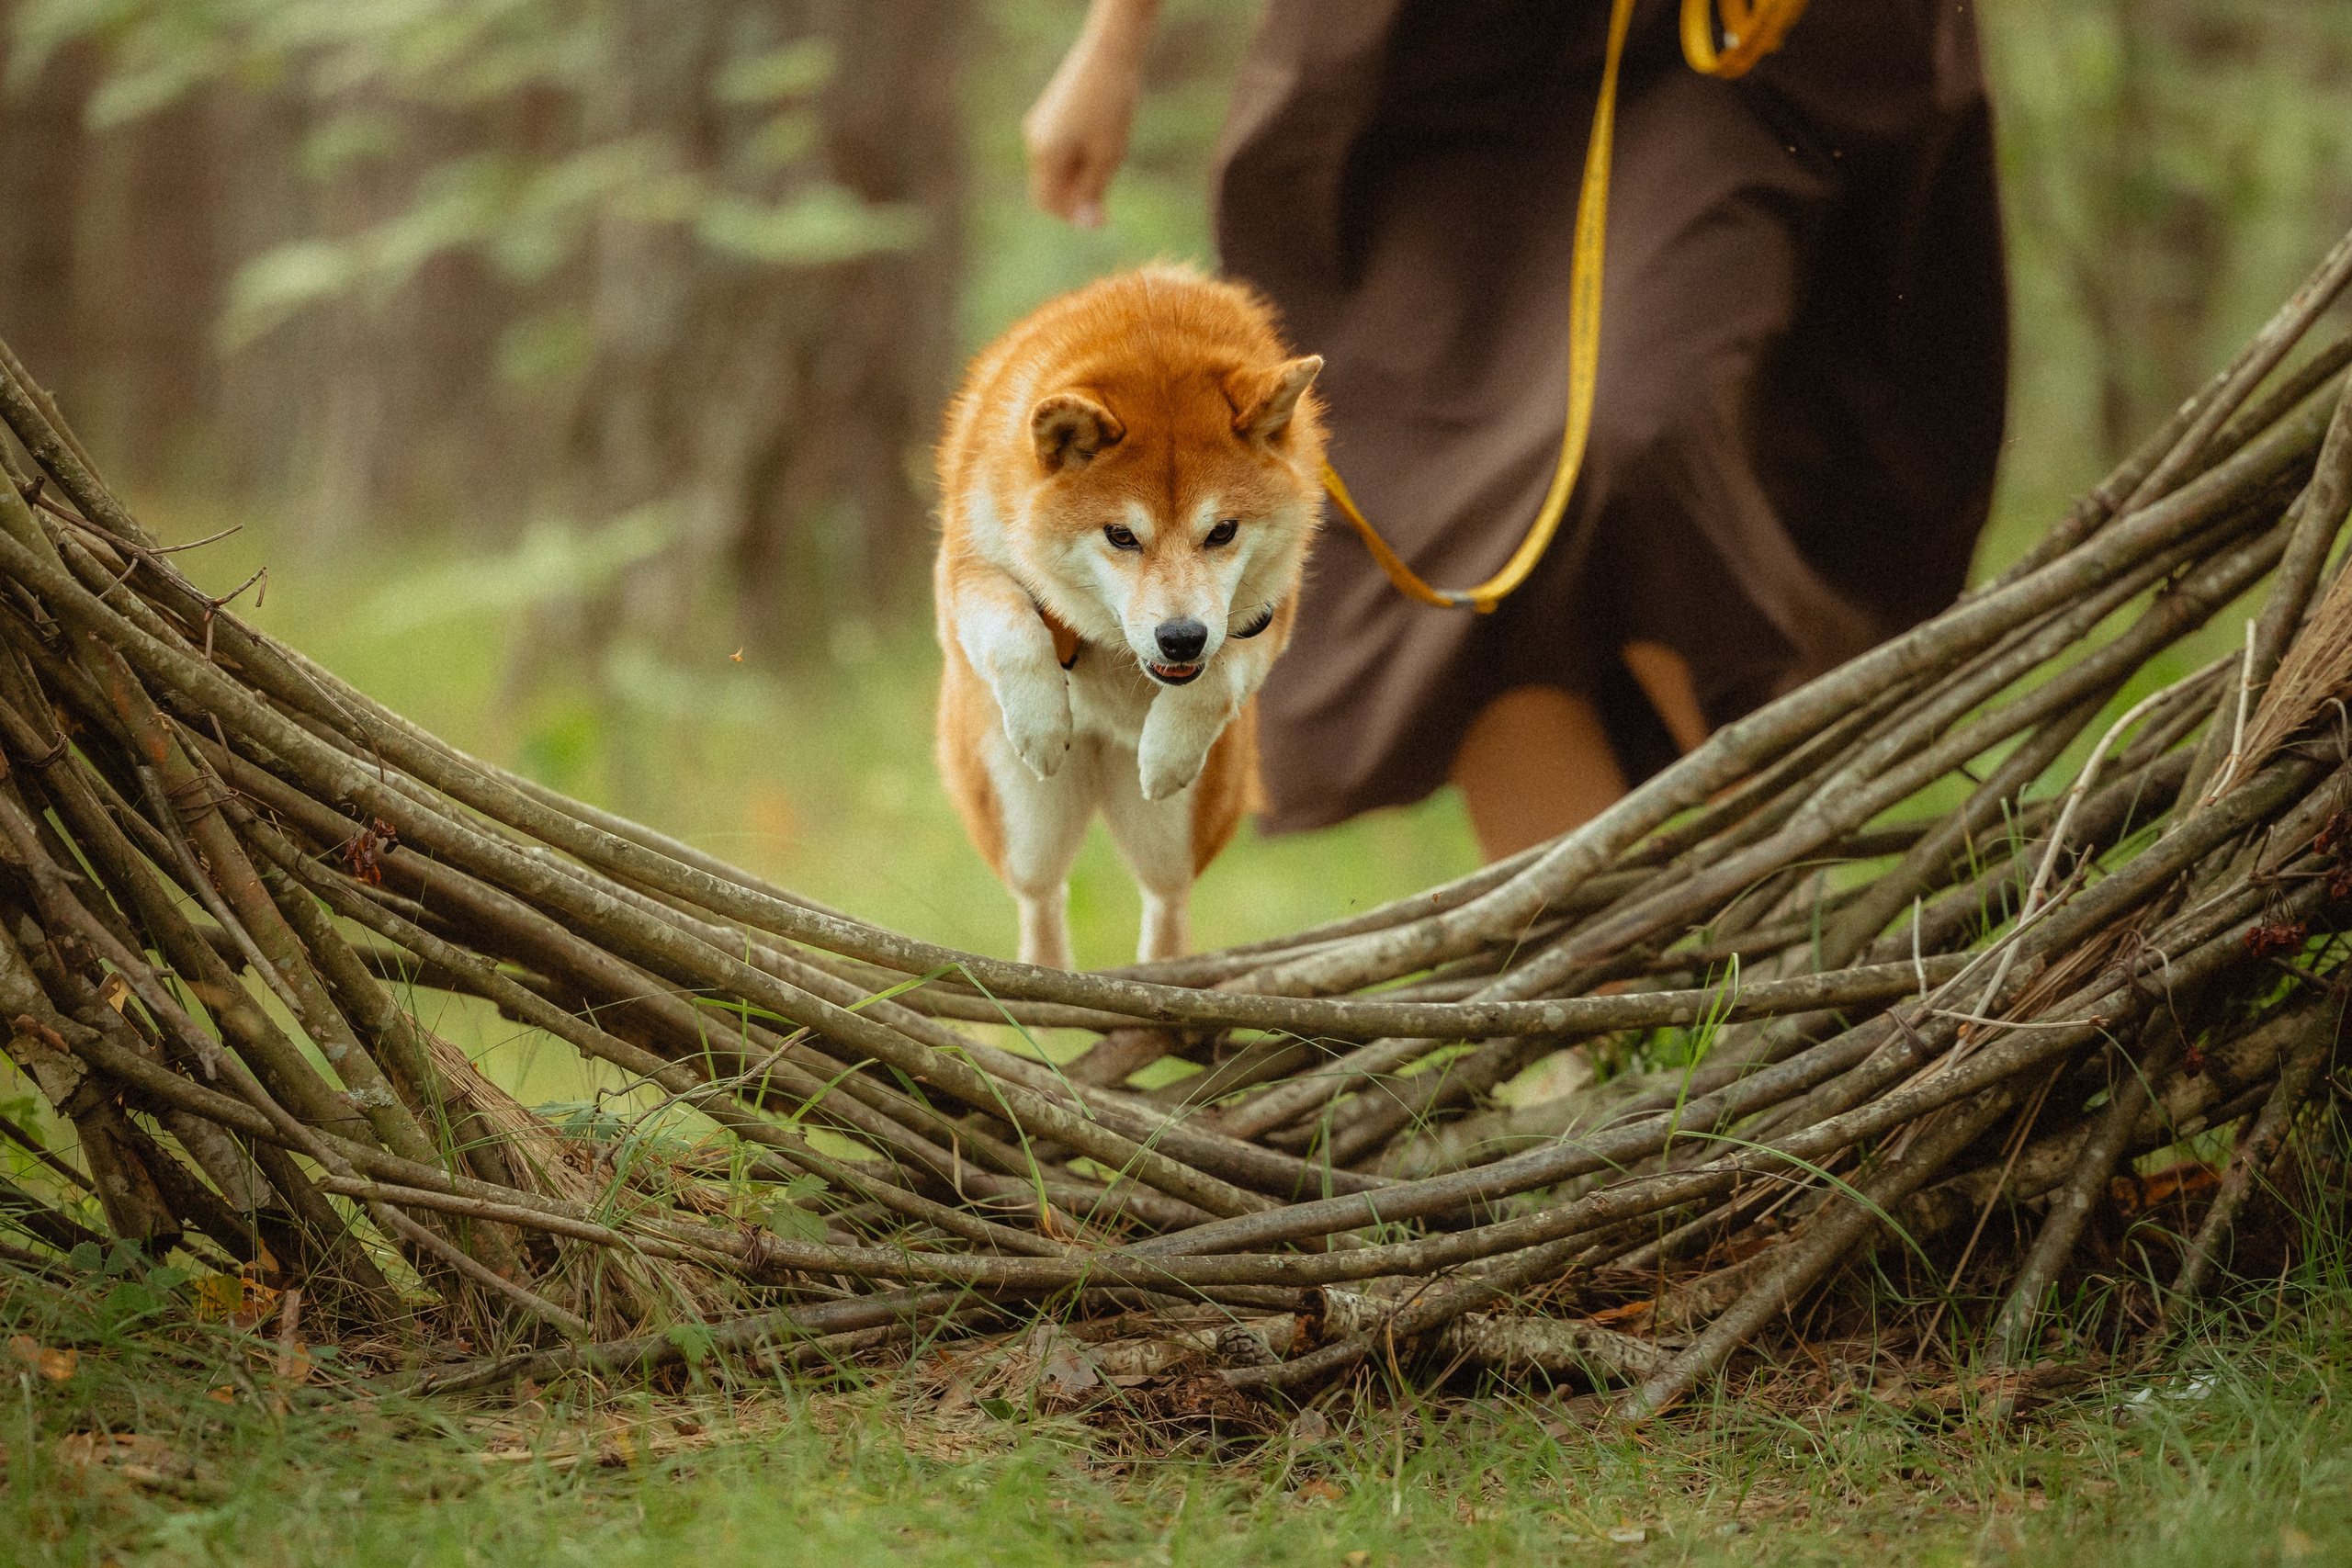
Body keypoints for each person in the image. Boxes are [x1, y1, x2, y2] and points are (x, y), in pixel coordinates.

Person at [1023, 0, 2007, 861]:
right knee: (1434, 494)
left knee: (1646, 433)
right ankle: (1611, 1021)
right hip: (1413, 72)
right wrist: (1114, 43)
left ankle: (1778, 944)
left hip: (1709, 50)